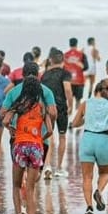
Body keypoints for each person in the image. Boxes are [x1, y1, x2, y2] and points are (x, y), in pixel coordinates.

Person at [1, 73, 53, 214]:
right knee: (30, 188)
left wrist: (13, 131)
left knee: (17, 185)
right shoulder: (42, 107)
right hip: (36, 147)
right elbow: (50, 130)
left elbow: (5, 120)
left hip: (20, 146)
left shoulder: (19, 105)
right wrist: (40, 139)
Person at [70, 80, 108, 214]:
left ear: (95, 90)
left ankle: (89, 207)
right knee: (104, 173)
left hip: (88, 140)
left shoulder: (85, 103)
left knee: (87, 177)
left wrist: (86, 120)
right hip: (103, 140)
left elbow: (74, 123)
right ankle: (98, 191)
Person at [40, 49, 74, 178]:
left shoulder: (45, 75)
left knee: (48, 135)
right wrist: (70, 104)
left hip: (48, 107)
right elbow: (67, 89)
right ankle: (59, 167)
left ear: (51, 60)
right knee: (62, 136)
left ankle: (47, 165)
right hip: (60, 107)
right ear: (62, 61)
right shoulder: (65, 74)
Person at [63, 38, 87, 110]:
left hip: (68, 81)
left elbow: (62, 68)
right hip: (79, 81)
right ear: (76, 44)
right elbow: (86, 67)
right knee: (78, 100)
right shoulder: (81, 54)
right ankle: (77, 115)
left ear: (69, 44)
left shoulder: (65, 55)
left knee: (69, 99)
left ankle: (69, 115)